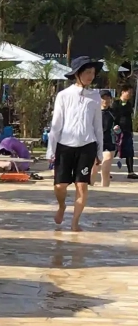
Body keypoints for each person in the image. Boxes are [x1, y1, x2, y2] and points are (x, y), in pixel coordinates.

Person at [47, 55, 105, 230]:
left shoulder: (95, 97)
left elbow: (98, 127)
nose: (90, 76)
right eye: (87, 72)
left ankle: (75, 223)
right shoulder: (64, 95)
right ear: (77, 74)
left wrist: (99, 152)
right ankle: (62, 206)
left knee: (82, 185)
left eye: (93, 73)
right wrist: (51, 150)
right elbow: (56, 125)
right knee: (60, 186)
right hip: (65, 146)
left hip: (87, 146)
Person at [115, 83, 136, 179]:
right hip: (116, 131)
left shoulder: (129, 105)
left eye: (132, 93)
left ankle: (131, 172)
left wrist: (131, 130)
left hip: (127, 131)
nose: (131, 94)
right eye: (129, 92)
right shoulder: (115, 104)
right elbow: (113, 117)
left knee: (129, 151)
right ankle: (105, 170)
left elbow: (129, 118)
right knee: (112, 151)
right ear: (123, 92)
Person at [97, 93, 116, 188]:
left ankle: (104, 188)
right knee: (94, 167)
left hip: (109, 141)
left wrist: (118, 129)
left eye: (108, 98)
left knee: (106, 165)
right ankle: (90, 187)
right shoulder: (94, 112)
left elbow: (120, 126)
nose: (106, 100)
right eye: (103, 98)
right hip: (95, 141)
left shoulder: (113, 112)